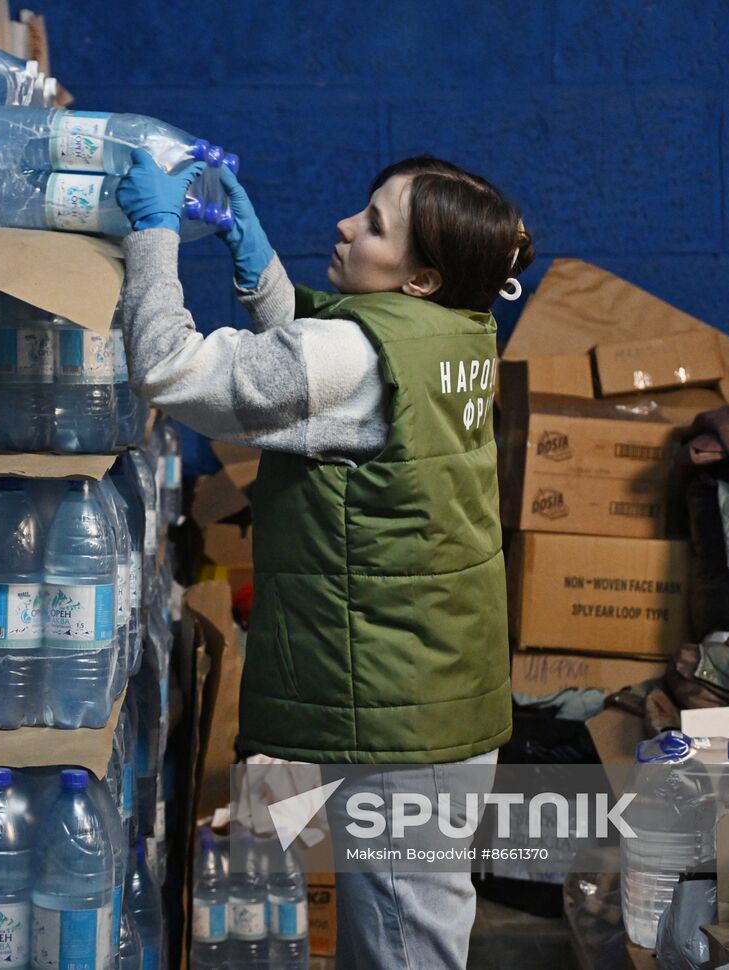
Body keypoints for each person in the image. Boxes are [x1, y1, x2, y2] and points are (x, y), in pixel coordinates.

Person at [116, 150, 535, 969]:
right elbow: (315, 363)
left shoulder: (353, 354)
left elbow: (174, 371)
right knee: (408, 924)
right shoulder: (460, 331)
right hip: (437, 686)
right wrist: (256, 259)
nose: (347, 224)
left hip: (395, 715)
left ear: (419, 278)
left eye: (375, 224)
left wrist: (152, 236)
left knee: (403, 945)